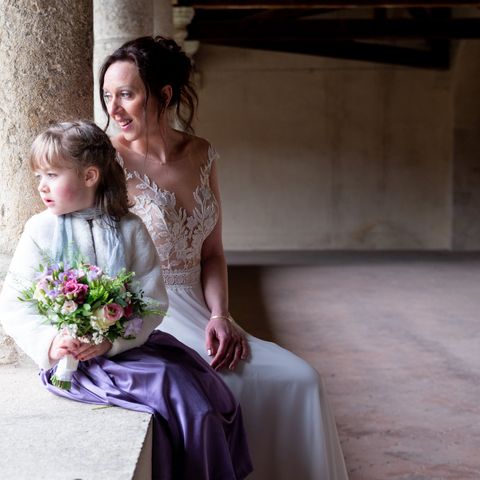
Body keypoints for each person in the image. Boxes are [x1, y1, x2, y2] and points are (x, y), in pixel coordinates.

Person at [99, 36, 349, 480]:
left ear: (164, 94)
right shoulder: (107, 164)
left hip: (202, 310)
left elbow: (212, 253)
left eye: (126, 94)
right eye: (108, 96)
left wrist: (221, 315)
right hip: (149, 313)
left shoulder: (201, 153)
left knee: (301, 379)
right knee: (222, 388)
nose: (114, 110)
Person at [0, 120, 253, 480]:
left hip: (125, 350)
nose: (42, 186)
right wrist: (52, 341)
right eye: (39, 176)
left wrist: (111, 341)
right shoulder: (41, 230)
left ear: (89, 176)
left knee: (203, 406)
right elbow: (12, 304)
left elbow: (152, 301)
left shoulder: (129, 228)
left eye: (52, 175)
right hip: (74, 362)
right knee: (173, 401)